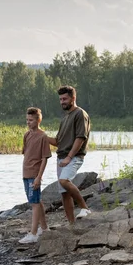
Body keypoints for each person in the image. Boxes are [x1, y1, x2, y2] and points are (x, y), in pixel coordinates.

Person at [45, 85, 92, 224]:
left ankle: (85, 207)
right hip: (61, 158)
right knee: (64, 193)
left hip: (74, 157)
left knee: (64, 181)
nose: (62, 102)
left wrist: (69, 157)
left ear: (73, 98)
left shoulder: (80, 114)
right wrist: (41, 135)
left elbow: (80, 137)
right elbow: (58, 141)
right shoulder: (65, 117)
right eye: (60, 99)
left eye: (65, 99)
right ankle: (71, 224)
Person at [18, 107, 52, 244]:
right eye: (27, 120)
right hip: (26, 173)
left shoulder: (43, 136)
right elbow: (26, 153)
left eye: (31, 120)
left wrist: (38, 177)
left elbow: (44, 158)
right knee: (37, 200)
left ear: (38, 120)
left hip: (34, 174)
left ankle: (33, 233)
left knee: (34, 203)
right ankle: (44, 228)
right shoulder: (26, 135)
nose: (28, 122)